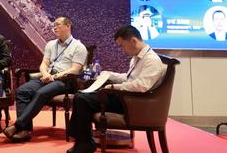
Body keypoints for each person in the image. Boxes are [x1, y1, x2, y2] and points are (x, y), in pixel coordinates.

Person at [66, 25, 167, 153]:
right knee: (81, 96)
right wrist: (110, 75)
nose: (122, 49)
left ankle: (83, 142)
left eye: (122, 45)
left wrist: (115, 86)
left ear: (133, 41)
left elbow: (141, 86)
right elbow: (129, 78)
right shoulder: (137, 57)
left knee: (82, 99)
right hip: (126, 97)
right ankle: (83, 141)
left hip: (132, 103)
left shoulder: (151, 60)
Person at [4, 16, 87, 143]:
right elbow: (44, 64)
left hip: (65, 80)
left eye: (58, 24)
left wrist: (55, 76)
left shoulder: (78, 47)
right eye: (54, 25)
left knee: (41, 93)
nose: (55, 27)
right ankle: (25, 131)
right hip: (48, 76)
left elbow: (75, 70)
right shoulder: (51, 44)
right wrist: (45, 73)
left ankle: (17, 126)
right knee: (22, 91)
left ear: (68, 26)